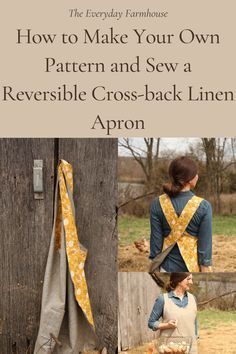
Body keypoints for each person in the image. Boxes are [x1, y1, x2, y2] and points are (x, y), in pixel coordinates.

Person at [149, 156, 212, 272]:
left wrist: (155, 270)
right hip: (192, 269)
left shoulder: (157, 204)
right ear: (190, 179)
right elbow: (204, 250)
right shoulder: (204, 206)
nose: (197, 176)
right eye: (195, 174)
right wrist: (205, 270)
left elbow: (155, 245)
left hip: (165, 268)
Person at [148, 273, 198, 354]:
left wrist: (195, 337)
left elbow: (194, 322)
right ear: (179, 281)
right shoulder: (163, 299)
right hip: (169, 349)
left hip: (190, 349)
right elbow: (151, 323)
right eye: (188, 279)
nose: (191, 282)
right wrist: (166, 325)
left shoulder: (193, 298)